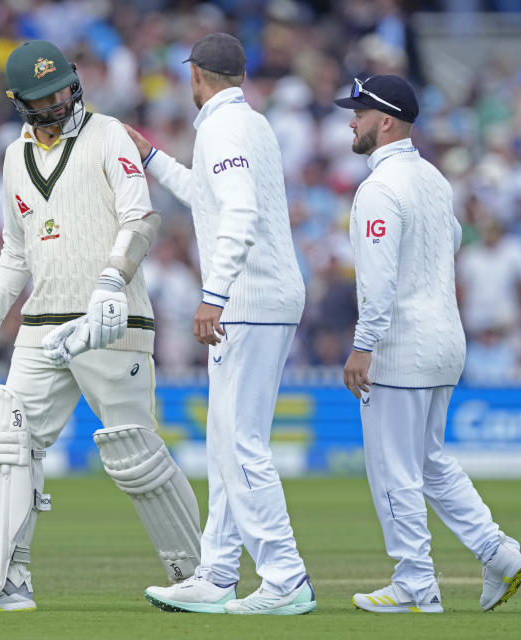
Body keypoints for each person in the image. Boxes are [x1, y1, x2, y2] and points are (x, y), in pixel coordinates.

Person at [0, 40, 201, 612]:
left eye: (61, 88)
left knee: (132, 451)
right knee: (8, 439)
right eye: (42, 96)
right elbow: (14, 250)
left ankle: (196, 574)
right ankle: (4, 582)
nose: (57, 102)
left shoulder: (109, 134)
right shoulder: (13, 158)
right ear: (19, 102)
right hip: (41, 324)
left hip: (113, 317)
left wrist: (112, 279)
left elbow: (142, 216)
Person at [124, 33, 315, 615]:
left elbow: (239, 212)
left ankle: (285, 577)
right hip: (257, 296)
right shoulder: (246, 123)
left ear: (196, 76)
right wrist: (154, 158)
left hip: (249, 299)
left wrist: (215, 294)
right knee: (226, 443)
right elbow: (210, 196)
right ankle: (217, 572)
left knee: (240, 443)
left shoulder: (223, 128)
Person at [336, 74, 521, 613]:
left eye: (359, 113)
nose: (350, 122)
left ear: (387, 121)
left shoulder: (379, 188)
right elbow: (450, 241)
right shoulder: (434, 178)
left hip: (401, 346)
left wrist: (363, 343)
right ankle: (498, 552)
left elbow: (377, 278)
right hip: (445, 338)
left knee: (392, 466)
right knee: (429, 462)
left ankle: (415, 584)